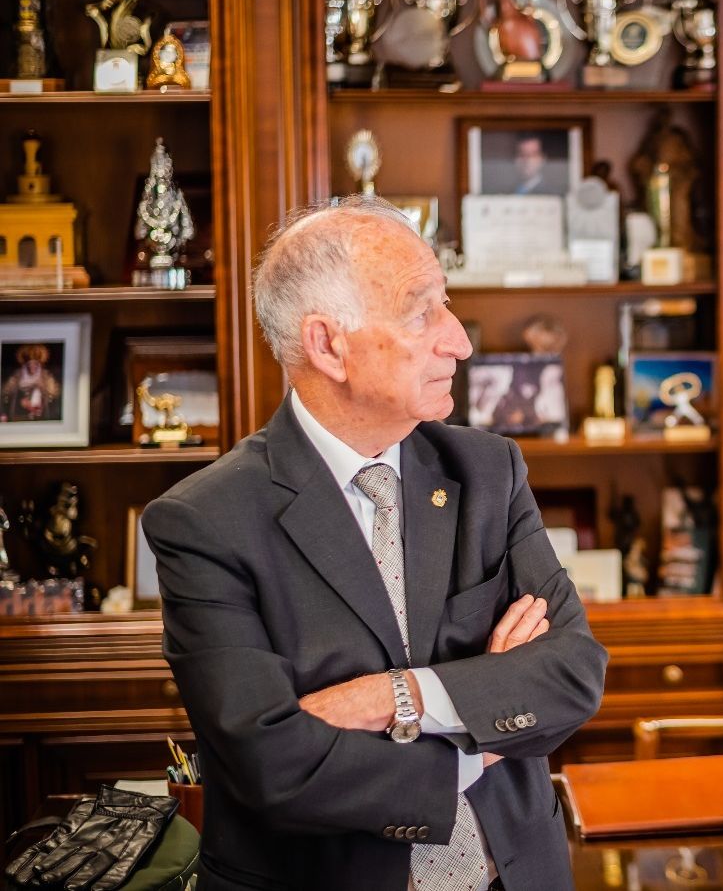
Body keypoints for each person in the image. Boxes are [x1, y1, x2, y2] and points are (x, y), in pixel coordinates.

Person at [143, 197, 607, 891]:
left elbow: (572, 674)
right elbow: (275, 766)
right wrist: (477, 736)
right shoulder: (203, 521)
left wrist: (395, 696)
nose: (461, 341)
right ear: (329, 345)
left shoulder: (487, 471)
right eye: (423, 313)